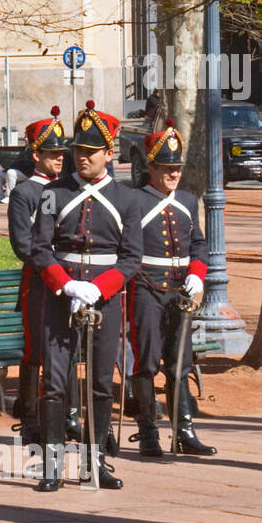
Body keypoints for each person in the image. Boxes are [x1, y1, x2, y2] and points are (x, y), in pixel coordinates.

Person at [29, 100, 142, 492]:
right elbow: (40, 248)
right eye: (78, 150)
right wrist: (67, 284)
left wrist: (100, 288)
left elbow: (132, 257)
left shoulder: (127, 199)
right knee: (56, 382)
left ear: (110, 154)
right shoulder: (52, 194)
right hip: (62, 296)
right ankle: (52, 465)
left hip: (104, 300)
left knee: (99, 383)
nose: (82, 158)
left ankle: (96, 464)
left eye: (91, 152)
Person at [127, 121, 216, 457]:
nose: (173, 174)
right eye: (166, 168)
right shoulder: (135, 200)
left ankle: (184, 430)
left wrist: (198, 273)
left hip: (180, 292)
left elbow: (199, 244)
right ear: (151, 168)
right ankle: (148, 429)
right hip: (147, 288)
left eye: (176, 168)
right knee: (146, 363)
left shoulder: (189, 202)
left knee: (180, 364)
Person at [5, 107, 66, 448]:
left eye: (61, 153)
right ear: (36, 154)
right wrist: (53, 269)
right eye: (51, 153)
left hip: (70, 279)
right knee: (35, 350)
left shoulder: (68, 189)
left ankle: (63, 415)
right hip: (39, 281)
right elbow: (22, 242)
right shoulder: (25, 193)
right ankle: (29, 419)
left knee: (63, 349)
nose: (58, 158)